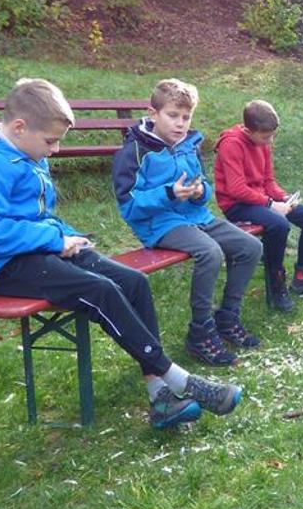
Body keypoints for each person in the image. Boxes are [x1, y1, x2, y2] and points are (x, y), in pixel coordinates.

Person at [0, 77, 242, 429]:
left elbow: (36, 216)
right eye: (51, 141)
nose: (55, 150)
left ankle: (159, 396)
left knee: (134, 282)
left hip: (37, 250)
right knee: (100, 290)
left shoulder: (23, 149)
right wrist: (54, 240)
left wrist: (67, 236)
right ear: (19, 127)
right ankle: (178, 380)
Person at [112, 78, 264, 368]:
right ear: (153, 114)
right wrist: (169, 193)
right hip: (159, 224)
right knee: (210, 252)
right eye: (173, 116)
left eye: (186, 117)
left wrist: (198, 192)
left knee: (250, 247)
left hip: (196, 216)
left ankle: (228, 317)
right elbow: (129, 205)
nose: (180, 124)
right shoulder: (134, 151)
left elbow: (204, 186)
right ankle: (200, 331)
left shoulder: (189, 145)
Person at [214, 99, 303, 313]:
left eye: (272, 136)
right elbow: (236, 189)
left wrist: (284, 198)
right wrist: (271, 204)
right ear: (248, 130)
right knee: (279, 225)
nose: (270, 141)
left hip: (261, 200)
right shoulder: (231, 144)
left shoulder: (263, 142)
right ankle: (277, 285)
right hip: (237, 205)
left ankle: (302, 276)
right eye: (266, 137)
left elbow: (268, 181)